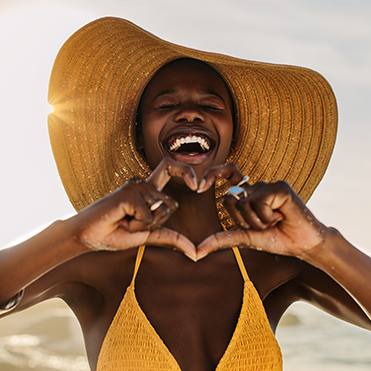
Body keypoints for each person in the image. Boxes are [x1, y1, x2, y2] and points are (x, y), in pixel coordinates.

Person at [1, 17, 371, 371]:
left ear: (232, 139)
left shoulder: (277, 264)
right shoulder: (95, 262)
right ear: (139, 140)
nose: (191, 114)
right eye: (166, 105)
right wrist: (74, 234)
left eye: (211, 106)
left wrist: (322, 244)